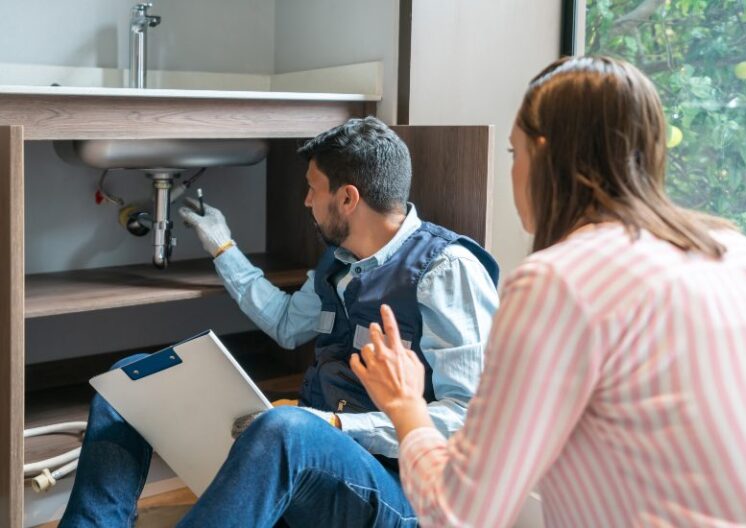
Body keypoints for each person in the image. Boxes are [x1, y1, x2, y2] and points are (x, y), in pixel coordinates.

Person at [352, 57, 746, 527]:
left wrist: (405, 405)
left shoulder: (558, 280)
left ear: (544, 154)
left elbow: (457, 514)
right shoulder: (741, 254)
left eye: (513, 153)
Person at [59, 116, 500, 527]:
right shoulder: (340, 260)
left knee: (286, 427)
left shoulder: (446, 269)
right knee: (131, 378)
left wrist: (334, 426)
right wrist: (223, 249)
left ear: (347, 198)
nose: (306, 201)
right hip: (315, 458)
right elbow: (288, 324)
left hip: (398, 492)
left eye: (313, 188)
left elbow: (468, 420)